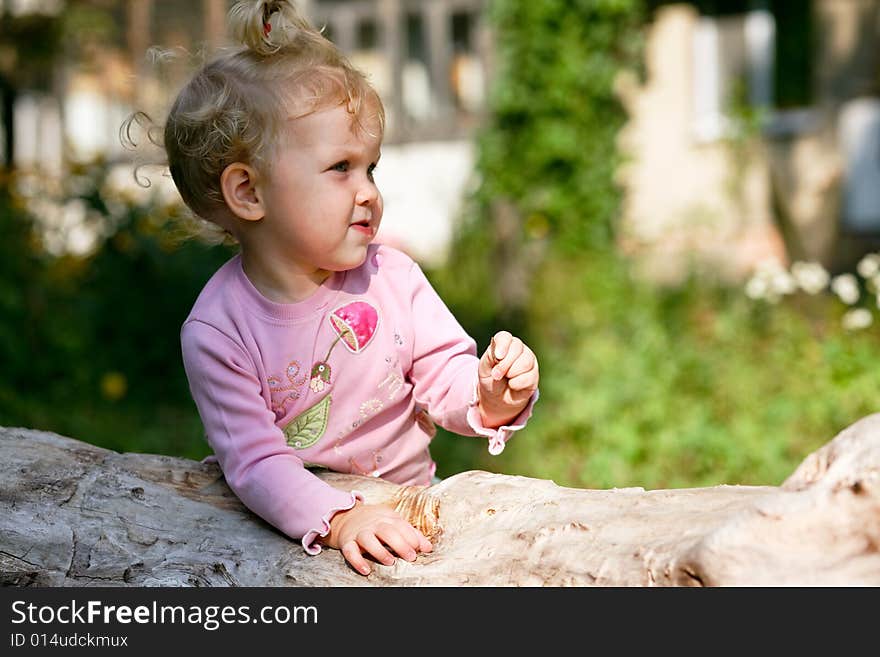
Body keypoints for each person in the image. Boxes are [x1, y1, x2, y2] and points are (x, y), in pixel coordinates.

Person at [153, 0, 540, 576]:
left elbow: (443, 377)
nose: (368, 192)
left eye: (372, 168)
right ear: (249, 193)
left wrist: (490, 396)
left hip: (412, 519)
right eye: (341, 168)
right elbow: (256, 463)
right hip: (293, 541)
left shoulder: (393, 277)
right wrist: (339, 519)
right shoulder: (219, 330)